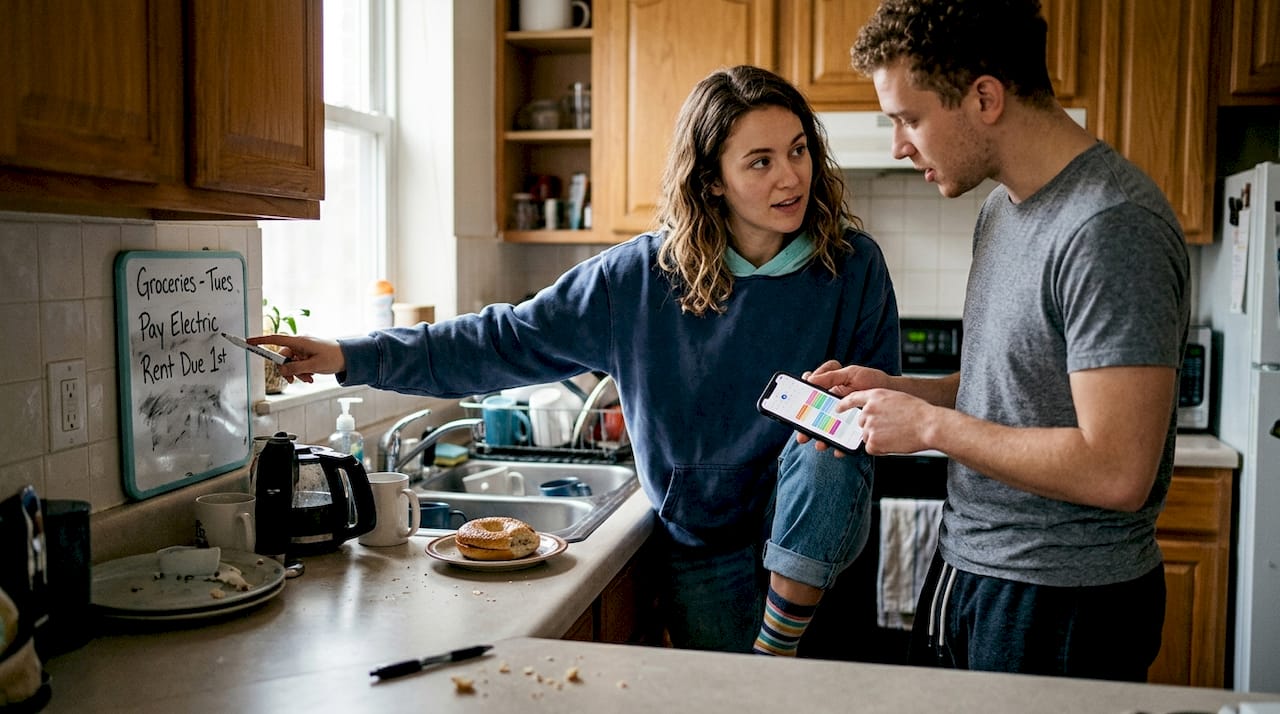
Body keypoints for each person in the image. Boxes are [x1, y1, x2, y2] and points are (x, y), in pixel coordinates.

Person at [253, 65, 900, 655]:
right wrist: (349, 355)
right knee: (734, 700)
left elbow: (881, 422)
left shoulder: (852, 267)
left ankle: (778, 648)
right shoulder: (639, 279)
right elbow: (500, 340)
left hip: (822, 552)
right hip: (705, 543)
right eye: (760, 161)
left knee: (828, 459)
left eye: (798, 150)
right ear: (712, 180)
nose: (791, 175)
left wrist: (841, 423)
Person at [801, 0, 1190, 682]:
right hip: (974, 568)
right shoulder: (1001, 209)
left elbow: (1118, 469)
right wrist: (899, 391)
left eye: (909, 117)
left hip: (1063, 600)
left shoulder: (1110, 227)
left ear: (984, 98)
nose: (898, 144)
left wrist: (929, 424)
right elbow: (1017, 391)